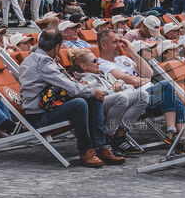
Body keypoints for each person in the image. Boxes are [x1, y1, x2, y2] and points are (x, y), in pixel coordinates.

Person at [17, 28, 113, 168]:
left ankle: (100, 147)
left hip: (47, 107)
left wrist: (88, 91)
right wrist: (92, 91)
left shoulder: (36, 58)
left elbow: (66, 83)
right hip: (38, 117)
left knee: (91, 99)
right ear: (56, 47)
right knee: (79, 104)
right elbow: (69, 86)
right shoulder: (43, 63)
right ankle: (86, 152)